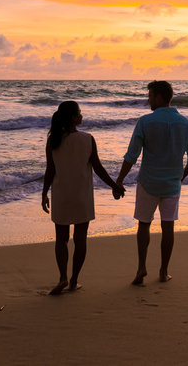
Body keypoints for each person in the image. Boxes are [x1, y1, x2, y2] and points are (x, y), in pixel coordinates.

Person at [115, 81, 188, 284]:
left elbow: (131, 156)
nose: (148, 100)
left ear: (160, 97)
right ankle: (163, 271)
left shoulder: (145, 122)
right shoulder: (185, 123)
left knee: (144, 224)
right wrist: (181, 177)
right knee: (167, 227)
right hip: (171, 184)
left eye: (151, 96)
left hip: (148, 181)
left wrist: (119, 181)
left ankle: (141, 268)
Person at [42, 101, 125, 295]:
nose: (82, 115)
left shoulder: (53, 140)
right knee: (80, 240)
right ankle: (73, 281)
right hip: (82, 197)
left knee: (61, 240)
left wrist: (44, 193)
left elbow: (50, 171)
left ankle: (62, 277)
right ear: (73, 118)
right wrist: (115, 186)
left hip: (61, 196)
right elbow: (98, 168)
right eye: (79, 113)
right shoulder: (87, 139)